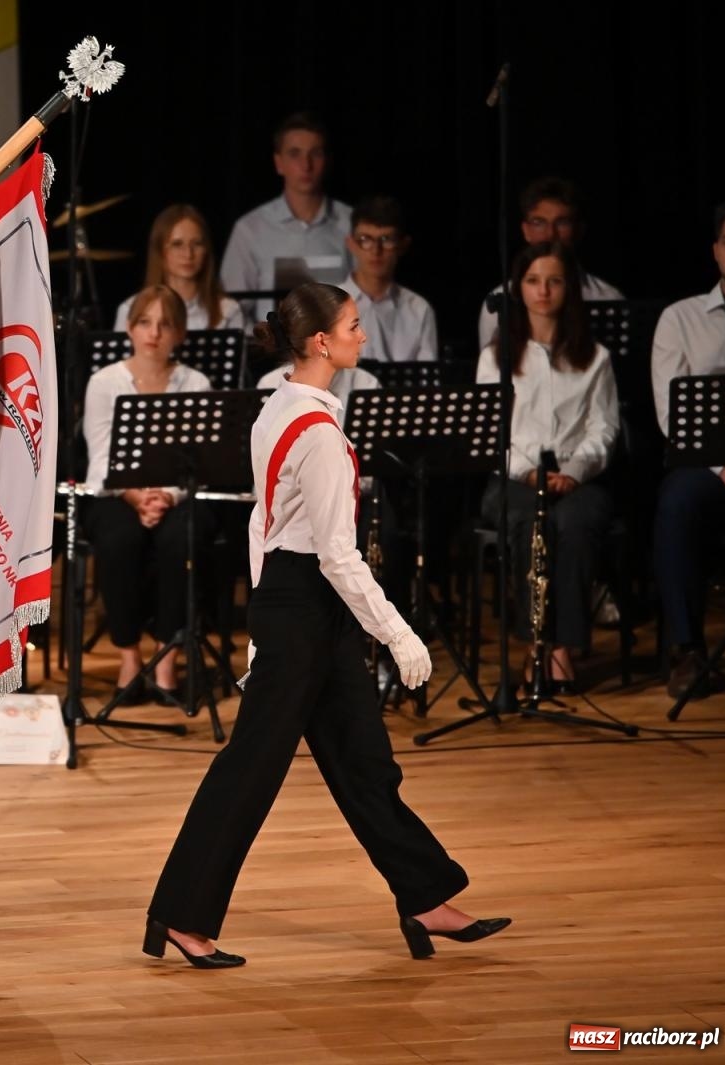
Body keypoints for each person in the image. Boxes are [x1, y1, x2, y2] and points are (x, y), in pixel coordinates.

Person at [145, 282, 508, 969]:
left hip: (300, 605)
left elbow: (265, 523)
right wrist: (398, 632)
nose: (362, 337)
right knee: (250, 767)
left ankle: (425, 896)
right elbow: (337, 555)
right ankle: (181, 915)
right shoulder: (316, 434)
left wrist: (262, 615)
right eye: (352, 325)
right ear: (321, 342)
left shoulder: (276, 407)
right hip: (308, 607)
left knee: (365, 761)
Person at [477, 241, 619, 693]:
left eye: (554, 281)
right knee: (527, 521)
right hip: (515, 476)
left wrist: (575, 470)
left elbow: (604, 428)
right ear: (519, 288)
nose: (543, 291)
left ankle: (563, 646)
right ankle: (534, 643)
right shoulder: (496, 356)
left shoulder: (594, 356)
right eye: (534, 281)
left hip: (576, 475)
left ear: (569, 288)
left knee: (575, 523)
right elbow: (491, 436)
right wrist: (529, 473)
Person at [83, 286, 216, 704]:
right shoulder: (104, 382)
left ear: (180, 333)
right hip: (118, 495)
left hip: (177, 496)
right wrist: (137, 496)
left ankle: (166, 658)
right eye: (145, 322)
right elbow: (100, 455)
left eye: (165, 324)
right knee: (119, 539)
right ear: (129, 328)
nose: (154, 333)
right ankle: (128, 656)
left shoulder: (195, 383)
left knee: (182, 539)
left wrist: (167, 497)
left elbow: (202, 457)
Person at [651, 200, 725, 698]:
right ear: (716, 251)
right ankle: (687, 651)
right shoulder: (681, 318)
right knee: (677, 503)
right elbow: (670, 412)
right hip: (707, 463)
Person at [219, 113, 351, 321]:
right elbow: (232, 310)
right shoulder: (250, 229)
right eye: (295, 154)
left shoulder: (351, 223)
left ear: (327, 160)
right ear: (278, 162)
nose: (306, 165)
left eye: (315, 153)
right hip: (270, 351)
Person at [477, 177, 624, 348]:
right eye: (539, 222)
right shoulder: (500, 303)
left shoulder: (608, 298)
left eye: (562, 222)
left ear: (579, 230)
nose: (550, 234)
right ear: (526, 230)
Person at [112, 205, 244, 332]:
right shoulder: (130, 309)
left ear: (206, 251)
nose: (188, 254)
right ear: (160, 251)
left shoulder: (228, 310)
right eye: (177, 244)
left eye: (197, 244)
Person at [338, 196, 438, 363]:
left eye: (386, 240)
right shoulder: (327, 307)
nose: (376, 250)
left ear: (403, 245)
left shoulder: (419, 310)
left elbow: (427, 382)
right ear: (351, 244)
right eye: (365, 240)